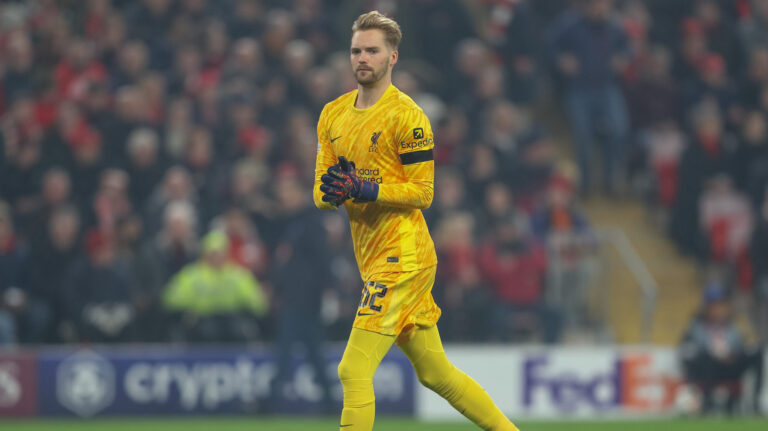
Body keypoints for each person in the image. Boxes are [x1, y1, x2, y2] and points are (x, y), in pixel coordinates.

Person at [313, 11, 519, 431]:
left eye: (372, 50)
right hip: (374, 258)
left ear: (393, 57)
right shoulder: (332, 115)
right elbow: (320, 193)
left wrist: (366, 189)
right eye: (356, 50)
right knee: (435, 373)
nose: (362, 58)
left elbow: (423, 193)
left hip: (404, 256)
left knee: (353, 368)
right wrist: (332, 193)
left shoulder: (408, 117)